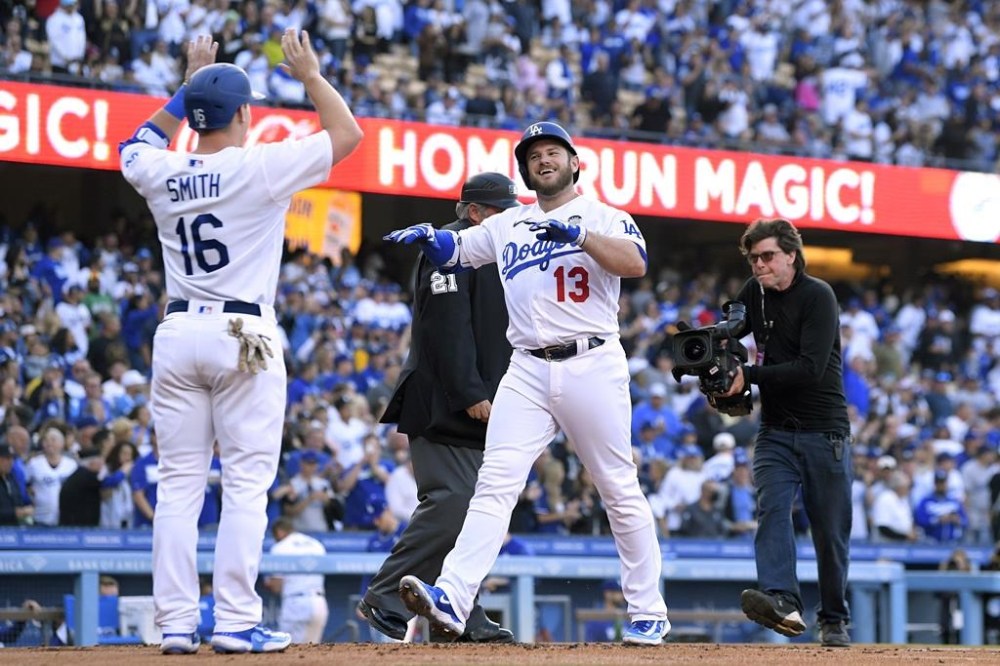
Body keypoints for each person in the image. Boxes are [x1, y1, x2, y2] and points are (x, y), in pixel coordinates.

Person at [118, 30, 362, 656]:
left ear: (197, 116)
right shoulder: (260, 162)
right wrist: (309, 75)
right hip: (242, 332)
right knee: (247, 484)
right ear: (247, 113)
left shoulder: (162, 168)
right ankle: (233, 622)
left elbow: (133, 144)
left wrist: (188, 86)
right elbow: (347, 136)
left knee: (178, 485)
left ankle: (175, 626)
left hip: (177, 330)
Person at [384, 121, 670, 646]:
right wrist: (432, 238)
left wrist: (580, 235)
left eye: (553, 151)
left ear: (574, 162)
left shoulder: (606, 215)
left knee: (617, 487)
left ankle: (649, 611)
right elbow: (457, 248)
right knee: (495, 484)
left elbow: (635, 263)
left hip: (592, 360)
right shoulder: (509, 223)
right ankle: (452, 593)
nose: (543, 159)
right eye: (534, 154)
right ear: (525, 169)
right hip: (528, 368)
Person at [358, 172, 520, 644]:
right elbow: (446, 328)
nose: (511, 218)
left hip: (478, 400)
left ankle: (460, 612)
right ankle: (385, 595)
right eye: (503, 210)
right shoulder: (448, 247)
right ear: (476, 213)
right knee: (452, 503)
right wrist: (470, 391)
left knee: (476, 511)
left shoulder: (493, 254)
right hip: (444, 401)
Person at [717, 217, 852, 647]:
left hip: (824, 431)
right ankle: (781, 599)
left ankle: (833, 618)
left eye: (768, 256)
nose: (759, 265)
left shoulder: (819, 296)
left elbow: (811, 369)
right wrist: (724, 354)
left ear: (791, 255)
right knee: (771, 510)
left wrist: (749, 374)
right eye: (754, 258)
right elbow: (731, 331)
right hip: (775, 431)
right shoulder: (752, 294)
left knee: (829, 534)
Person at [263, 518, 329, 644]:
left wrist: (268, 582)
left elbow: (277, 586)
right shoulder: (316, 544)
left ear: (280, 532)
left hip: (296, 604)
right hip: (319, 603)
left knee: (289, 652)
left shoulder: (280, 547)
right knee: (312, 652)